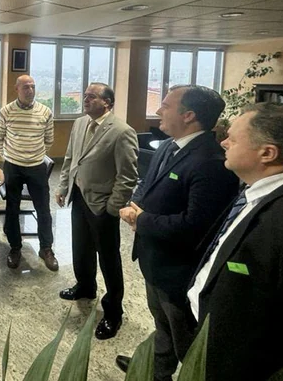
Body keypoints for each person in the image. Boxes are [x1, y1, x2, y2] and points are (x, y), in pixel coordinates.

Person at [187, 103, 283, 380]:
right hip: (208, 331)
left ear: (267, 153)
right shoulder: (260, 188)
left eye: (233, 137)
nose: (223, 142)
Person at [116, 85, 238, 381]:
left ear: (189, 115)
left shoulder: (211, 163)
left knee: (186, 339)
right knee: (162, 323)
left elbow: (195, 227)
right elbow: (148, 182)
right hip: (154, 259)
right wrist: (135, 204)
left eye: (166, 106)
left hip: (178, 270)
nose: (158, 110)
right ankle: (158, 370)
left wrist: (142, 220)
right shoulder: (171, 144)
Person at [56, 83, 138, 340]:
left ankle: (113, 311)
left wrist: (112, 208)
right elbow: (70, 158)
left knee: (109, 258)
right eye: (85, 96)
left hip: (102, 205)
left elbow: (128, 175)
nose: (85, 99)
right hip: (79, 197)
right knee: (80, 247)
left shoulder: (122, 131)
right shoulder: (80, 123)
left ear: (107, 102)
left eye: (92, 96)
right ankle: (85, 286)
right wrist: (63, 186)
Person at [0, 75, 56, 270]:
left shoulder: (45, 111)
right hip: (13, 166)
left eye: (33, 87)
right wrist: (9, 156)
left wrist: (33, 154)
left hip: (37, 166)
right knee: (12, 208)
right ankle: (15, 247)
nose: (30, 90)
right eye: (26, 87)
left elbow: (49, 139)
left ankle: (46, 248)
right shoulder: (6, 111)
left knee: (43, 209)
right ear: (17, 89)